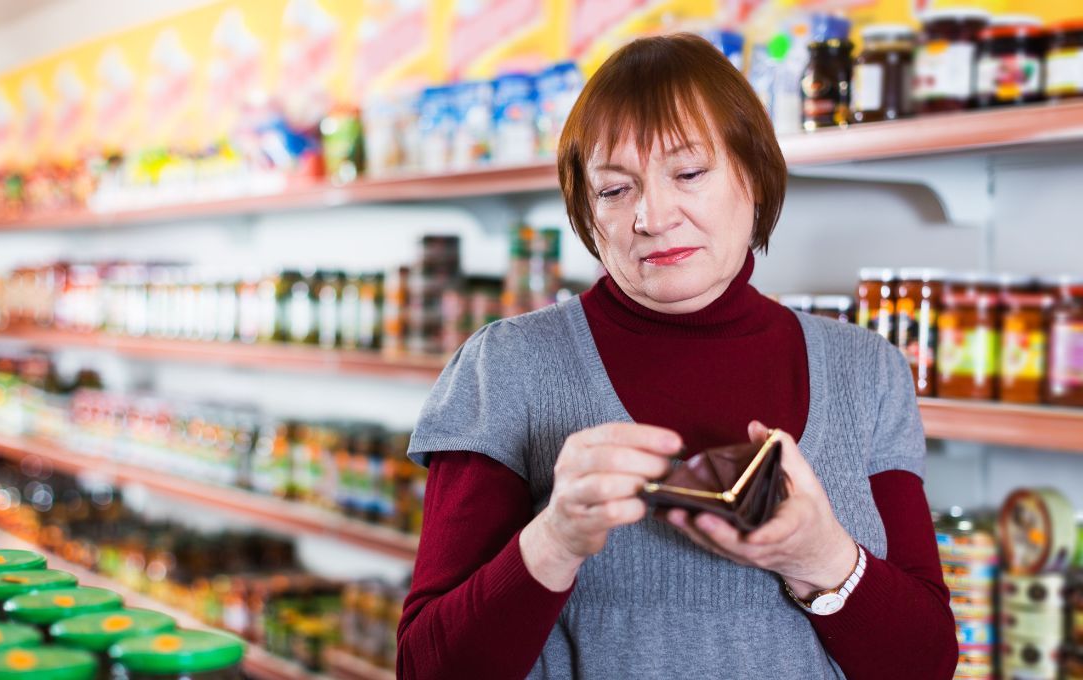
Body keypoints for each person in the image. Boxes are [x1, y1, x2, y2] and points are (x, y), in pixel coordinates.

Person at [396, 33, 957, 680]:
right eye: (614, 190)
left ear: (753, 172)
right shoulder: (505, 368)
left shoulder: (866, 370)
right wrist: (553, 541)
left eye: (688, 174)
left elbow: (928, 663)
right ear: (586, 210)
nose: (652, 216)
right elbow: (426, 668)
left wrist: (821, 557)